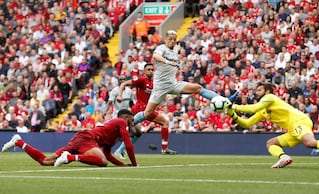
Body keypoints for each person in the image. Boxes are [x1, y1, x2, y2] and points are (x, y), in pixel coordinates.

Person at [224, 82, 319, 168]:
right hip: (293, 129)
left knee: (310, 143)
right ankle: (284, 157)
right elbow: (247, 123)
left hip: (299, 121)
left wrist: (233, 106)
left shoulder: (270, 98)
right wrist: (232, 114)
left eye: (259, 90)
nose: (256, 92)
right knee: (271, 143)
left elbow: (252, 108)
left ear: (267, 91)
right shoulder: (263, 110)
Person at [131, 30, 220, 154]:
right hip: (160, 87)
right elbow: (155, 57)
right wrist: (168, 62)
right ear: (166, 39)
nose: (173, 41)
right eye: (171, 39)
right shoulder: (161, 48)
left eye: (174, 39)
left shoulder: (175, 49)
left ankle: (221, 99)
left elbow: (176, 50)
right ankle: (125, 125)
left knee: (197, 88)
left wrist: (177, 52)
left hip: (173, 84)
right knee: (147, 114)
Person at [2, 109, 138, 167]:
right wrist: (134, 164)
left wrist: (121, 165)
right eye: (131, 120)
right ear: (126, 118)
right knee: (102, 162)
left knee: (45, 161)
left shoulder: (114, 132)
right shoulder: (121, 122)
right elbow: (128, 145)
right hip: (87, 138)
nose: (132, 123)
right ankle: (69, 157)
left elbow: (107, 153)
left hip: (82, 138)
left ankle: (19, 142)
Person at [114, 63, 157, 157]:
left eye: (152, 69)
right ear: (144, 71)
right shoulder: (141, 79)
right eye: (148, 69)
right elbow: (125, 83)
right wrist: (119, 95)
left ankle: (121, 149)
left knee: (137, 133)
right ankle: (119, 149)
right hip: (139, 109)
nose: (150, 71)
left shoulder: (153, 82)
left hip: (146, 109)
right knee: (132, 131)